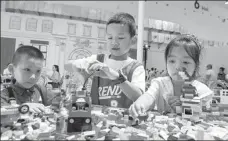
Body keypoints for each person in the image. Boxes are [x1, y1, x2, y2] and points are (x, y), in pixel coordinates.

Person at [64, 12, 145, 108]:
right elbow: (67, 65)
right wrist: (80, 70)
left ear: (133, 41)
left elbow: (139, 97)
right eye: (110, 37)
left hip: (124, 121)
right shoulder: (97, 60)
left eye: (120, 38)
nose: (114, 42)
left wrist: (117, 78)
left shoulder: (135, 68)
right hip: (98, 119)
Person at [129, 35, 213, 117]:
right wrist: (140, 104)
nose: (178, 67)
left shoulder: (202, 92)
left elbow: (205, 116)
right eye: (172, 61)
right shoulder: (160, 84)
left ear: (196, 66)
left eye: (186, 62)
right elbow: (149, 96)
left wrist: (181, 109)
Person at [1, 46, 55, 113]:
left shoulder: (41, 91)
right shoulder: (4, 95)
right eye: (27, 70)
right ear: (12, 70)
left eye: (38, 71)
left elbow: (57, 103)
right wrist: (23, 107)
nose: (33, 77)